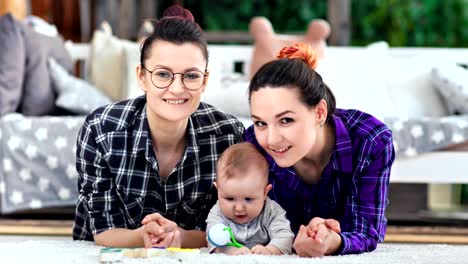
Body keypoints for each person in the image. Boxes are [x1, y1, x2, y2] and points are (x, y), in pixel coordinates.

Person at [73, 5, 244, 248]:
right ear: (141, 77)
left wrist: (179, 237)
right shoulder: (101, 131)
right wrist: (143, 236)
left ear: (205, 80)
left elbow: (237, 228)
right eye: (163, 74)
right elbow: (102, 229)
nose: (177, 88)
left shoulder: (229, 136)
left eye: (191, 76)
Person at [244, 43, 395, 257]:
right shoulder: (252, 145)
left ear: (319, 112)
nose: (271, 139)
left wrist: (332, 241)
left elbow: (366, 230)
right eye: (260, 123)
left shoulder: (370, 140)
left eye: (286, 120)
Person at [206, 142, 294, 255]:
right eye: (229, 198)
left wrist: (271, 250)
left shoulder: (272, 211)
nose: (238, 208)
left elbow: (285, 235)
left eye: (248, 199)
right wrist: (229, 250)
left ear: (265, 193)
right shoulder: (217, 212)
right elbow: (213, 236)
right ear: (218, 190)